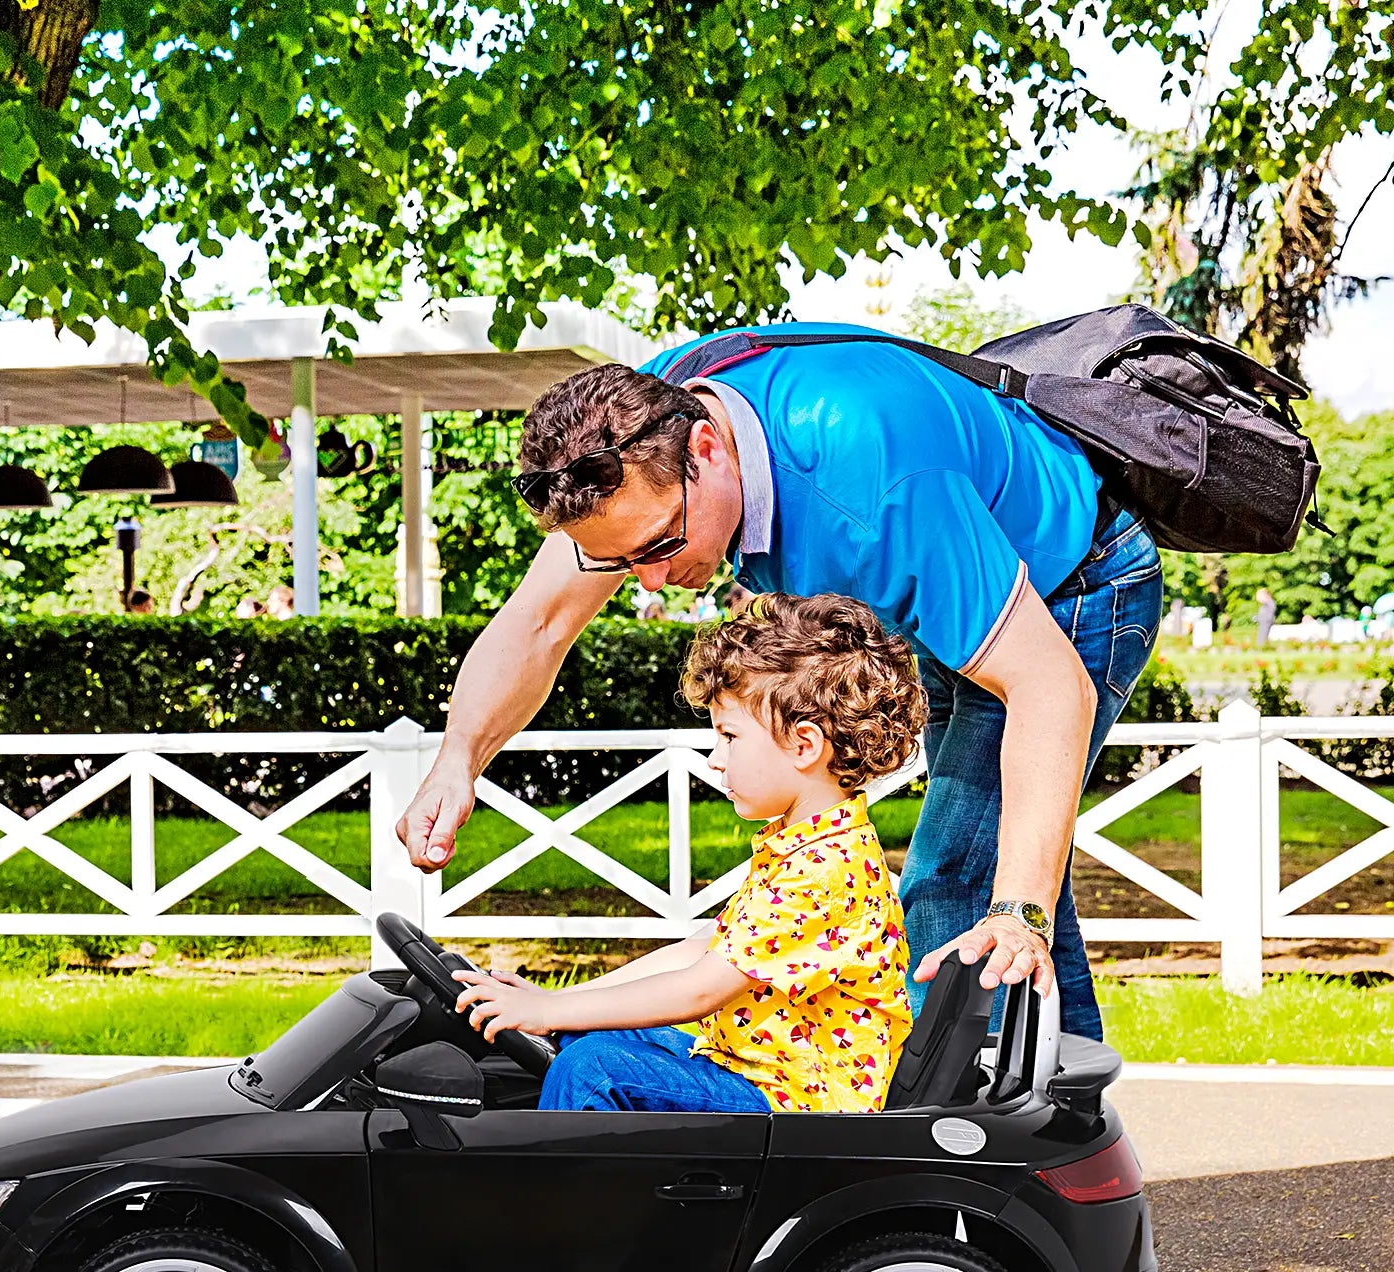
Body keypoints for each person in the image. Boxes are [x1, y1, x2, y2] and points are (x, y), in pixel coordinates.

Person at [397, 327, 1164, 1041]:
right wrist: (457, 760)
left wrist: (1018, 909)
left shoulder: (872, 485)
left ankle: (947, 1159)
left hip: (1074, 583)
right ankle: (1065, 1154)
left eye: (661, 546)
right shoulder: (637, 427)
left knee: (958, 884)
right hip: (956, 582)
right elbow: (537, 624)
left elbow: (1051, 689)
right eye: (619, 561)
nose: (653, 584)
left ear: (707, 447)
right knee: (1005, 865)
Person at [456, 594, 923, 1113]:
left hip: (795, 1105)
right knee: (579, 1036)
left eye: (728, 736)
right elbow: (702, 950)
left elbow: (702, 989)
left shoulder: (823, 869)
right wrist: (557, 1005)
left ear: (803, 744)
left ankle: (559, 1194)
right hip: (752, 1067)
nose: (716, 759)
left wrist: (551, 1008)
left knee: (592, 1069)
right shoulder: (806, 844)